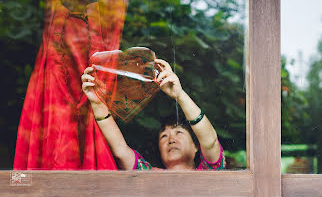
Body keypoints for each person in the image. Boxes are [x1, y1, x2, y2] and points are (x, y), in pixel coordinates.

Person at [81, 58, 225, 170]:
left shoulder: (208, 173)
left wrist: (179, 95)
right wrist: (98, 104)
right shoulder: (147, 175)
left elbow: (210, 141)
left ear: (196, 147)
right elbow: (120, 150)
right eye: (164, 136)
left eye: (179, 132)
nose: (171, 140)